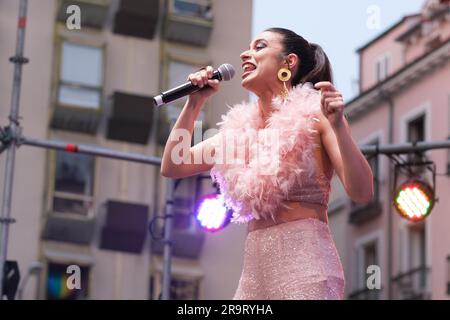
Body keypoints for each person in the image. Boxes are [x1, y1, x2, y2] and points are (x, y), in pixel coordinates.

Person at [160, 27, 374, 300]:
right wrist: (194, 102)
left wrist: (339, 127)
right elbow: (173, 165)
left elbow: (363, 192)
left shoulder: (318, 114)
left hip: (306, 268)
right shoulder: (238, 131)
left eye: (259, 46)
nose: (245, 54)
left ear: (289, 62)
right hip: (253, 275)